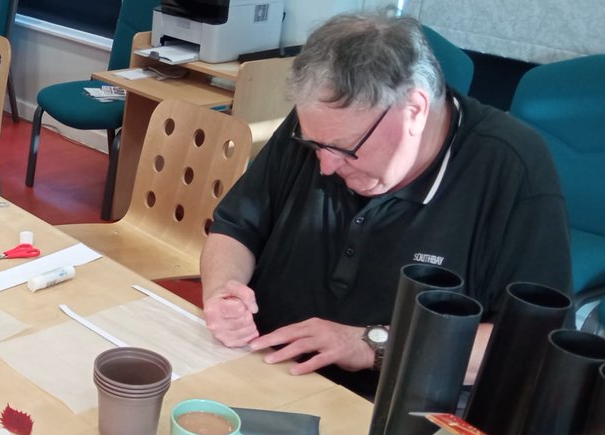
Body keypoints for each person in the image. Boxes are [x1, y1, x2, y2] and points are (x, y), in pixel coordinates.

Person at [199, 13, 571, 396]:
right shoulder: (326, 126)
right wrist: (223, 292)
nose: (325, 166)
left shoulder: (510, 166)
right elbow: (235, 228)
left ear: (415, 110)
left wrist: (372, 344)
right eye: (315, 146)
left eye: (345, 149)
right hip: (262, 370)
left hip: (395, 406)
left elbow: (531, 347)